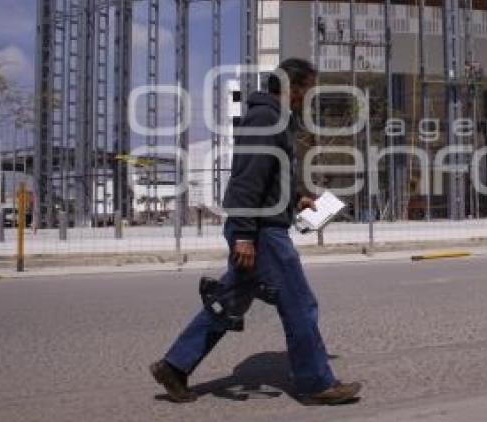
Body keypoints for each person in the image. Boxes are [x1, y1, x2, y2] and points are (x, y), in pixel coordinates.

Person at [150, 58, 361, 405]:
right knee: (299, 303)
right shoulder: (266, 118)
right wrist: (246, 235)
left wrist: (297, 198)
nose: (308, 96)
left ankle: (174, 367)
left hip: (260, 224)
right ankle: (315, 383)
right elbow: (247, 178)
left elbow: (269, 173)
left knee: (230, 302)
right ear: (292, 88)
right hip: (261, 231)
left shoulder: (274, 120)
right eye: (307, 88)